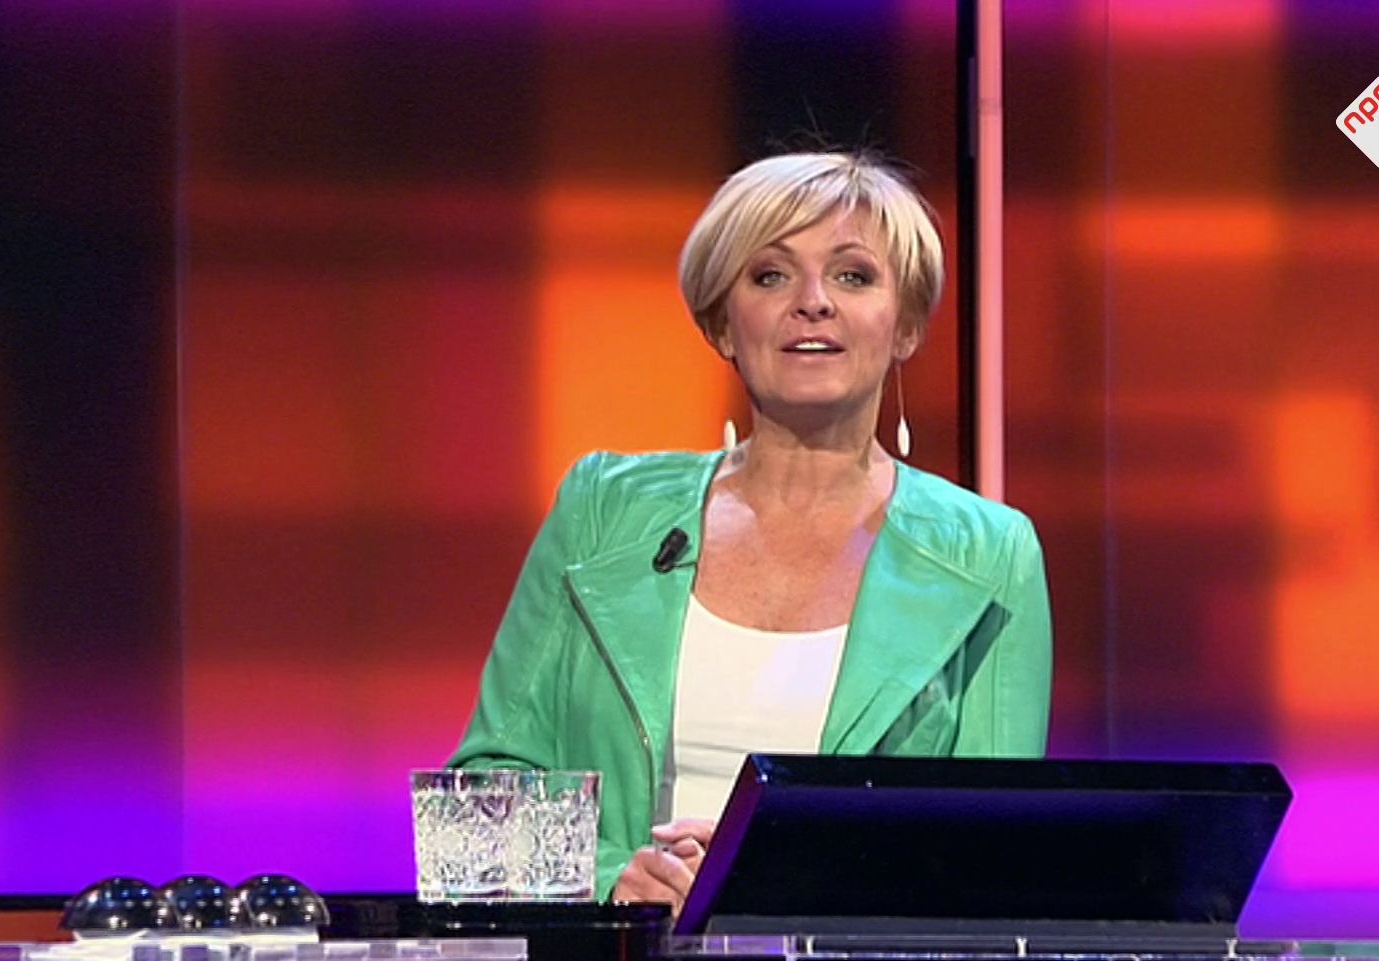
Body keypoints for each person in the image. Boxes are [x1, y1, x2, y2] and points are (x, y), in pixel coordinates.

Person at [448, 151, 1052, 914]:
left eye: (853, 276)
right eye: (770, 276)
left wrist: (775, 887)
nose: (813, 302)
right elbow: (478, 810)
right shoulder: (602, 511)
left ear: (905, 326)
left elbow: (991, 861)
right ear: (722, 325)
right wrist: (611, 884)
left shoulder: (990, 555)